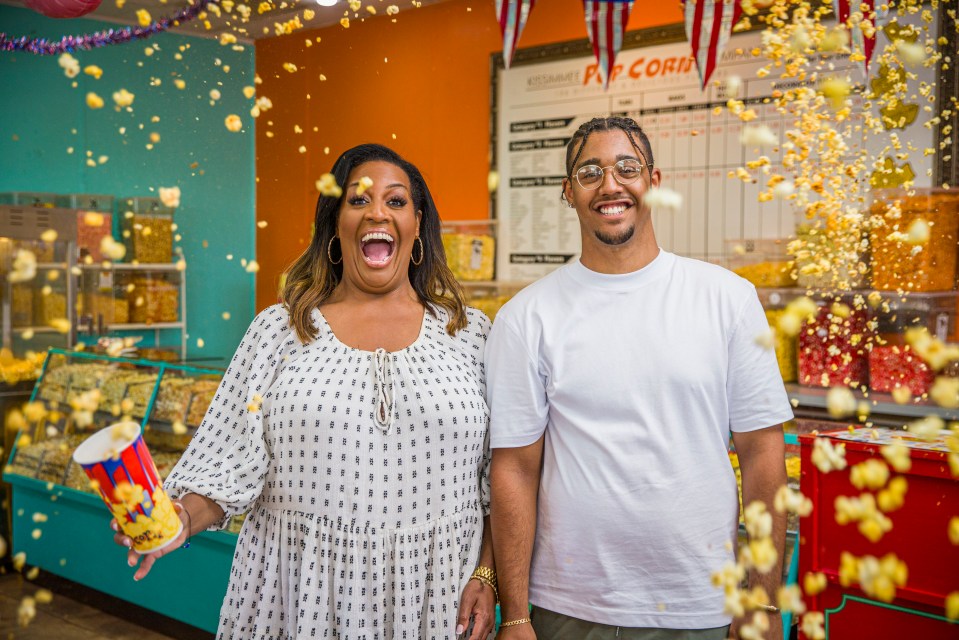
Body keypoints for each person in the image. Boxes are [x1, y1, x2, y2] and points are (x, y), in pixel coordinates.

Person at [111, 143, 497, 640]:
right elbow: (231, 463)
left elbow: (499, 478)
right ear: (335, 224)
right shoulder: (279, 331)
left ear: (418, 225)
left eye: (396, 201)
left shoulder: (470, 334)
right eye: (357, 200)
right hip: (299, 592)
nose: (377, 211)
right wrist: (180, 518)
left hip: (439, 595)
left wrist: (487, 576)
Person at [487, 116, 794, 640]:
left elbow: (763, 453)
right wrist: (515, 615)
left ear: (654, 180)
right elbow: (515, 469)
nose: (610, 185)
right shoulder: (526, 317)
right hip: (568, 608)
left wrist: (763, 602)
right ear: (568, 192)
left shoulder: (727, 299)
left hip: (700, 603)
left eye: (626, 167)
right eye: (590, 172)